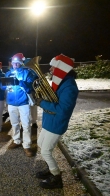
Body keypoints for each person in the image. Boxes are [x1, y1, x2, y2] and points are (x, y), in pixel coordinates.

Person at [35, 54, 78, 189]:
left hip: (57, 123)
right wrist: (41, 95)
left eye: (53, 67)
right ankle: (50, 168)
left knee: (46, 151)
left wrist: (42, 103)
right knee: (40, 144)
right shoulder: (60, 82)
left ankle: (56, 177)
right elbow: (52, 98)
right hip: (50, 121)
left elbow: (62, 109)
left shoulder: (69, 87)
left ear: (62, 69)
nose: (50, 70)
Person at [3, 53, 37, 157]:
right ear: (12, 63)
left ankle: (26, 145)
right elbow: (3, 87)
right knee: (14, 123)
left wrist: (20, 82)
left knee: (26, 125)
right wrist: (3, 84)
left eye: (17, 62)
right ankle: (16, 140)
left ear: (21, 63)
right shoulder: (8, 73)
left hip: (23, 103)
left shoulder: (27, 72)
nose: (15, 64)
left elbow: (31, 87)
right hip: (11, 103)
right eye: (14, 62)